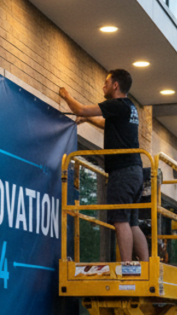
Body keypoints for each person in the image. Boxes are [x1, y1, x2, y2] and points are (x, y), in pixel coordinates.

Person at [59, 69, 150, 263]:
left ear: (115, 85)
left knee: (120, 220)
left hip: (123, 171)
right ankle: (146, 266)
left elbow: (81, 109)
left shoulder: (118, 104)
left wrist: (66, 95)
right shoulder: (129, 107)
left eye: (106, 82)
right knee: (132, 223)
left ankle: (125, 266)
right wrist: (89, 120)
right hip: (135, 171)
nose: (103, 86)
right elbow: (106, 125)